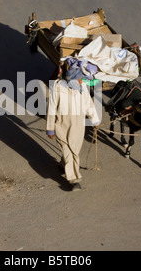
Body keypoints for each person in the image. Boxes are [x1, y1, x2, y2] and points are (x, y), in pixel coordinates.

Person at [46, 58, 101, 191]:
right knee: (69, 152)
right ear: (73, 79)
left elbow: (89, 104)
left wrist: (95, 120)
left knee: (74, 150)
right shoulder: (58, 87)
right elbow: (52, 108)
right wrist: (50, 129)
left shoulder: (82, 88)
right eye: (80, 79)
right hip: (62, 125)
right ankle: (74, 179)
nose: (82, 81)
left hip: (78, 126)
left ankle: (63, 164)